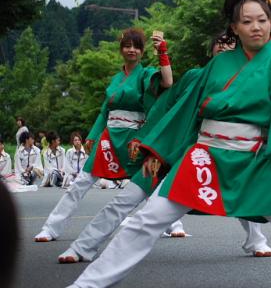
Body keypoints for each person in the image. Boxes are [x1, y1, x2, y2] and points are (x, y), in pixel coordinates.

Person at [66, 0, 271, 288]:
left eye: (262, 20)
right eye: (246, 21)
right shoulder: (215, 68)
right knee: (145, 220)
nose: (256, 27)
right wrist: (158, 151)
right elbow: (183, 112)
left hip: (255, 161)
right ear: (234, 27)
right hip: (205, 156)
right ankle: (89, 284)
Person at [56, 32, 271, 264]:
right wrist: (146, 141)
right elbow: (165, 105)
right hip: (172, 149)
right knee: (128, 197)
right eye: (219, 43)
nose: (224, 47)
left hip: (218, 151)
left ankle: (256, 240)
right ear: (211, 51)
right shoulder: (194, 77)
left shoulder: (247, 81)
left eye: (230, 44)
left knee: (241, 192)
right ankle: (83, 246)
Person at [34, 27, 173, 242]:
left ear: (143, 51)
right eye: (127, 45)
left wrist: (162, 51)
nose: (132, 50)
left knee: (151, 180)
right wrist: (92, 135)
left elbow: (167, 82)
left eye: (137, 46)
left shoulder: (145, 74)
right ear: (121, 49)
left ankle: (172, 223)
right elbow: (104, 111)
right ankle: (51, 228)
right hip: (109, 138)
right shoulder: (115, 79)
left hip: (134, 140)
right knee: (81, 181)